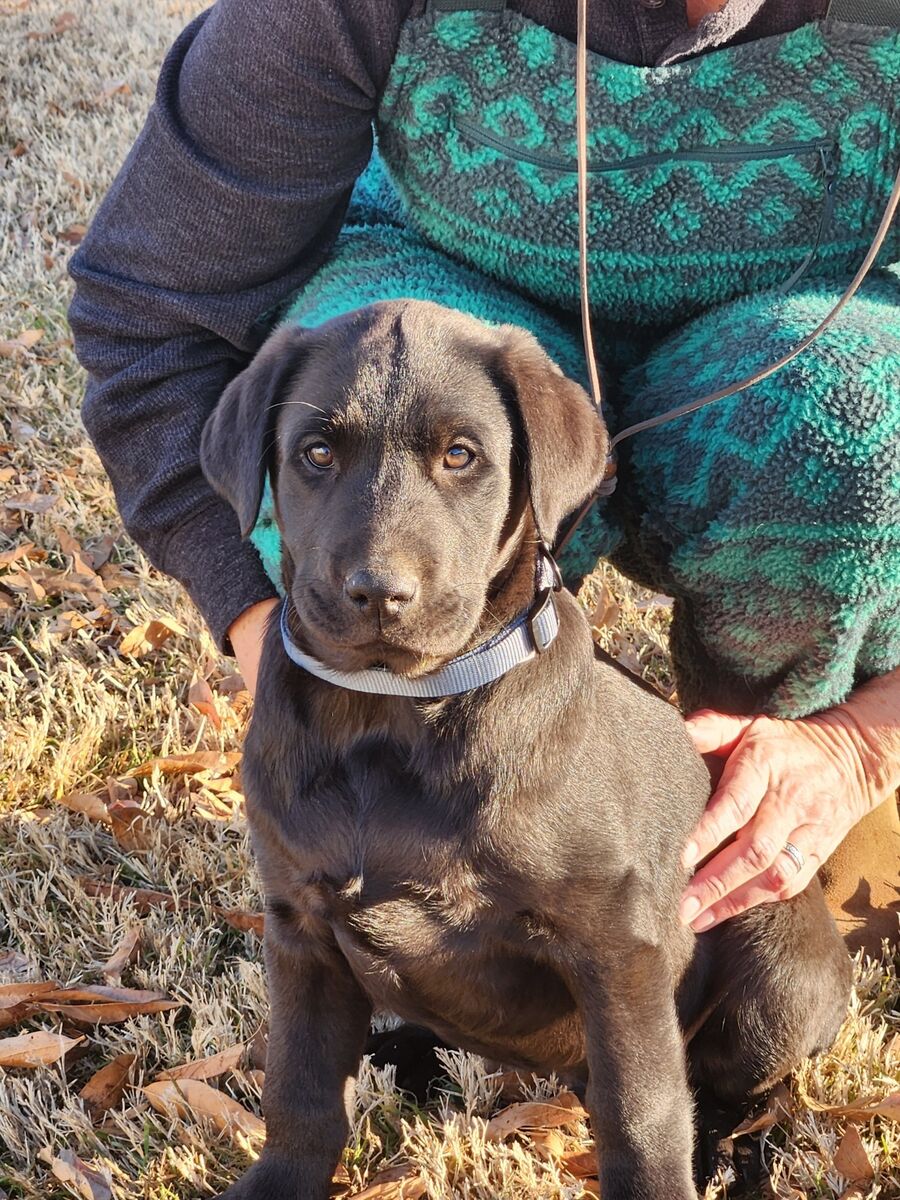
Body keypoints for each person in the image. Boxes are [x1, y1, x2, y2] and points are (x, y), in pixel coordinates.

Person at [68, 0, 899, 954]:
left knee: (849, 419)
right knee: (367, 379)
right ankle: (414, 807)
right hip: (453, 326)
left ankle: (777, 754)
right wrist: (266, 628)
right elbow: (151, 318)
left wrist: (865, 741)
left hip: (795, 352)